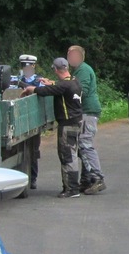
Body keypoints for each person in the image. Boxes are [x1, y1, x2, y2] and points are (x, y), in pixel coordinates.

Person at [22, 58, 83, 198]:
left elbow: (48, 91)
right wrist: (51, 83)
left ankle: (72, 189)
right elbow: (59, 86)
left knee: (67, 156)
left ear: (55, 69)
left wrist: (33, 88)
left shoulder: (64, 86)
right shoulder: (74, 80)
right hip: (77, 122)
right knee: (71, 154)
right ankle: (72, 186)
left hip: (67, 124)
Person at [67, 45, 105, 195]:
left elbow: (81, 90)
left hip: (88, 111)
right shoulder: (78, 70)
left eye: (74, 55)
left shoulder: (83, 70)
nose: (71, 58)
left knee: (85, 144)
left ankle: (97, 177)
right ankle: (87, 179)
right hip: (85, 111)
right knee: (81, 144)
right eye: (69, 55)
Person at [16, 55, 42, 190]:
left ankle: (33, 178)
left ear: (33, 66)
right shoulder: (16, 80)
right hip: (20, 120)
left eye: (29, 67)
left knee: (33, 151)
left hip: (33, 120)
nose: (26, 69)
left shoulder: (39, 81)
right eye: (24, 67)